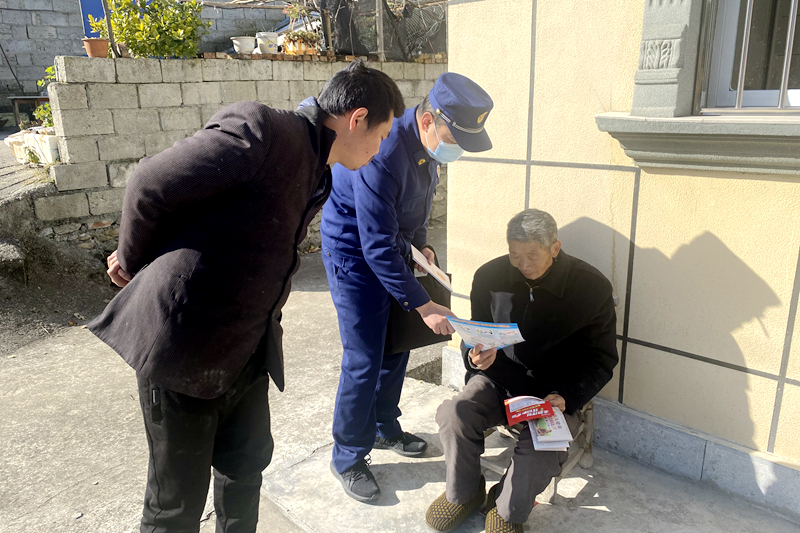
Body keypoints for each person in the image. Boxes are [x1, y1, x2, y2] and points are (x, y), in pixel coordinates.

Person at [87, 60, 404, 533]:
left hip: (248, 349)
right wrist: (133, 264)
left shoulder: (319, 169)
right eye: (381, 136)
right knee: (176, 505)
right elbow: (149, 183)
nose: (380, 149)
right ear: (357, 119)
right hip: (185, 346)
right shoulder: (264, 131)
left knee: (244, 472)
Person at [320, 72, 494, 502]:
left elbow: (416, 207)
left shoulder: (428, 146)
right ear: (429, 120)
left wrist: (422, 247)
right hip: (354, 255)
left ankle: (384, 426)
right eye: (455, 138)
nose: (455, 150)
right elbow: (375, 244)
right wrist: (424, 305)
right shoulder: (383, 151)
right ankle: (347, 456)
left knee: (396, 345)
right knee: (364, 357)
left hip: (391, 247)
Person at [425, 208, 619, 533]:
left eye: (532, 255)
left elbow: (602, 358)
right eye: (515, 255)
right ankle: (465, 493)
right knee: (455, 414)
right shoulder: (490, 276)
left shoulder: (591, 287)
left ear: (554, 248)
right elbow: (476, 335)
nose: (522, 264)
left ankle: (506, 507)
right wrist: (475, 358)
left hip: (554, 394)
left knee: (544, 449)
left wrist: (567, 395)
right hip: (498, 380)